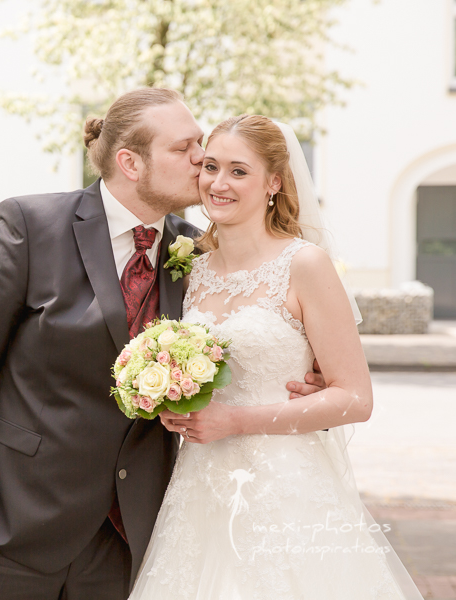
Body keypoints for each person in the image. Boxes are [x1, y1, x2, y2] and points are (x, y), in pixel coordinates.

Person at [0, 89, 326, 600]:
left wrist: (302, 378)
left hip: (131, 533)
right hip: (11, 523)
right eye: (184, 149)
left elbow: (253, 332)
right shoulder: (29, 226)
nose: (201, 159)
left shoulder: (200, 252)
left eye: (199, 143)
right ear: (130, 163)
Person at [131, 115, 423, 599]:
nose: (218, 183)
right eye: (210, 166)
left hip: (285, 485)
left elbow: (355, 398)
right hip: (199, 485)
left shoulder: (304, 264)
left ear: (274, 182)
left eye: (239, 171)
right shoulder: (190, 269)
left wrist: (235, 420)